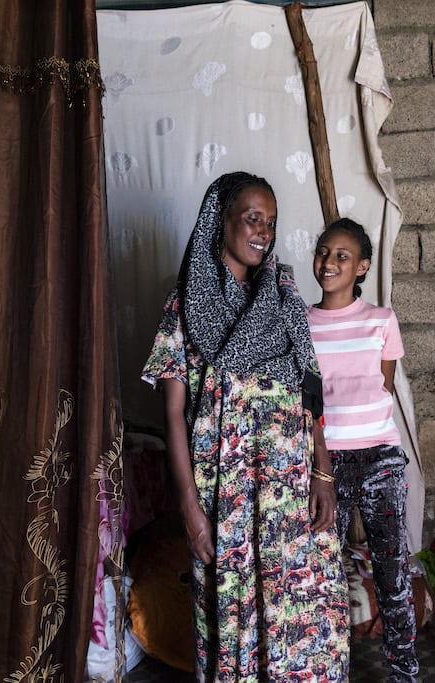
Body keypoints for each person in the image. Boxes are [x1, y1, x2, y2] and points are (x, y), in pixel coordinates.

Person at [141, 171, 349, 681]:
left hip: (289, 486)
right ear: (222, 221)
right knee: (236, 617)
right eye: (252, 218)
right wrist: (189, 510)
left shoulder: (283, 294)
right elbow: (172, 414)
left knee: (308, 611)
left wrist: (323, 473)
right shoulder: (187, 303)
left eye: (271, 222)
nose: (263, 232)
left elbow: (309, 391)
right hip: (225, 491)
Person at [307, 217, 419, 683]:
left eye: (342, 256)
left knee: (393, 575)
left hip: (380, 459)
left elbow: (384, 385)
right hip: (324, 466)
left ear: (362, 267)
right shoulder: (302, 324)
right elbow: (308, 401)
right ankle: (329, 672)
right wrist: (321, 465)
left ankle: (405, 674)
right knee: (322, 579)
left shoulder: (381, 320)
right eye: (324, 252)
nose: (329, 262)